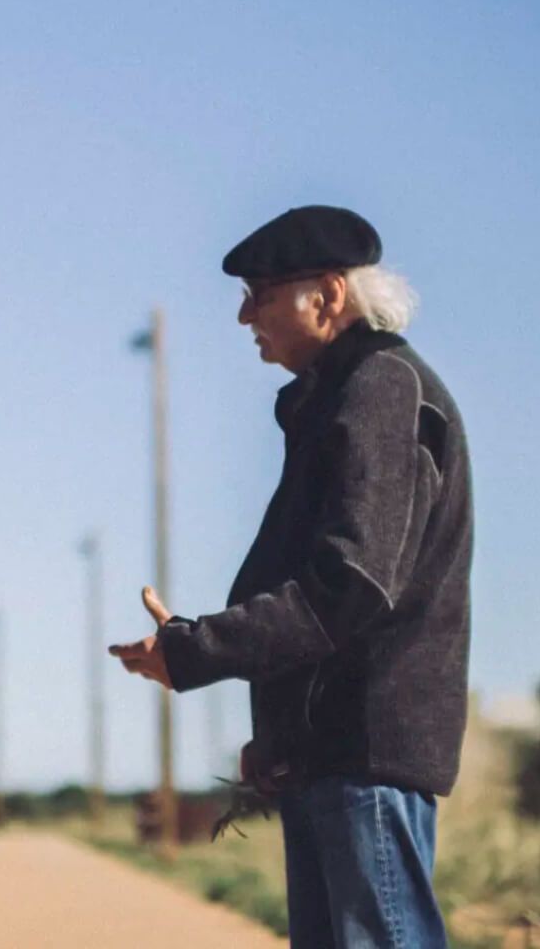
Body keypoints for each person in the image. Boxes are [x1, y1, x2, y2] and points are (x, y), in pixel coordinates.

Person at [111, 205, 472, 948]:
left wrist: (193, 650)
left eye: (261, 293)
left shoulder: (381, 386)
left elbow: (352, 586)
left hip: (363, 754)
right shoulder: (342, 394)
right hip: (331, 753)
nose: (246, 315)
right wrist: (278, 731)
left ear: (329, 295)